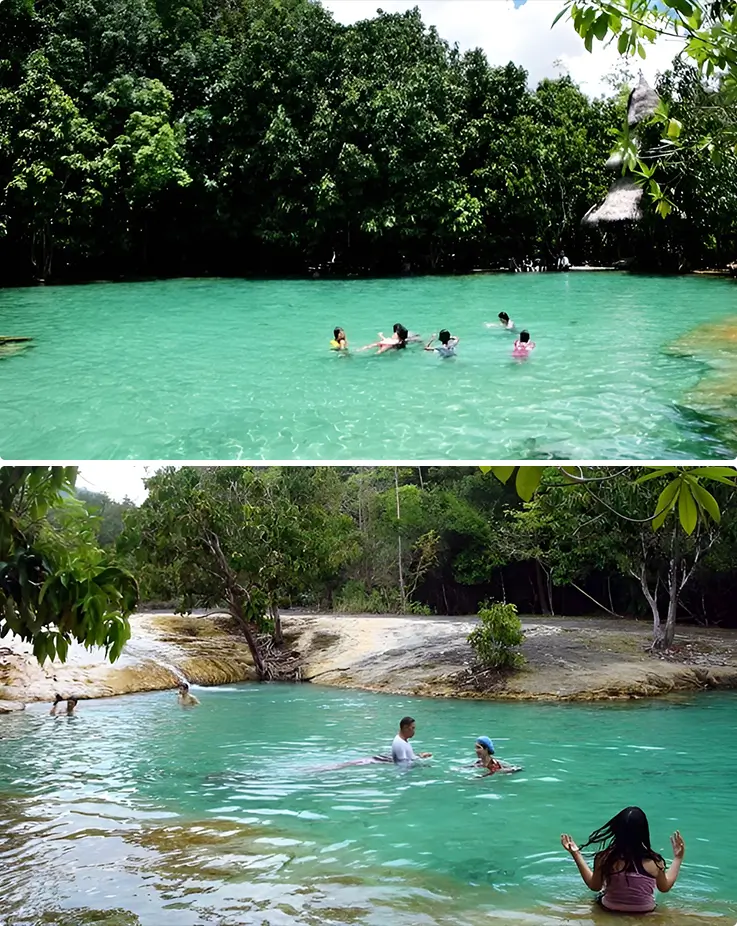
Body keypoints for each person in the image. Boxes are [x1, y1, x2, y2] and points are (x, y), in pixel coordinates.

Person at [561, 806, 685, 914]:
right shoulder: (654, 862)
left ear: (616, 830)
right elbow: (664, 887)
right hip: (645, 910)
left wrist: (576, 853)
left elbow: (594, 886)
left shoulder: (604, 858)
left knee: (599, 894)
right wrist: (678, 858)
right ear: (643, 831)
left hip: (610, 909)